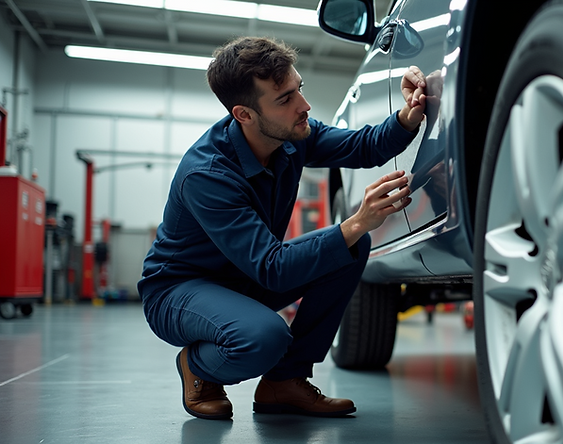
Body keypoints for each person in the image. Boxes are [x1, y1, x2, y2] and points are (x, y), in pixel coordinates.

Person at [138, 37, 429, 420]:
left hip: (244, 277)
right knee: (265, 336)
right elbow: (273, 268)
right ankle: (199, 366)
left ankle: (284, 382)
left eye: (299, 89)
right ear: (244, 115)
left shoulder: (292, 136)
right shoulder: (207, 175)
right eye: (285, 99)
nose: (303, 106)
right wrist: (357, 220)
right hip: (180, 290)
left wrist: (408, 116)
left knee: (351, 248)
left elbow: (363, 146)